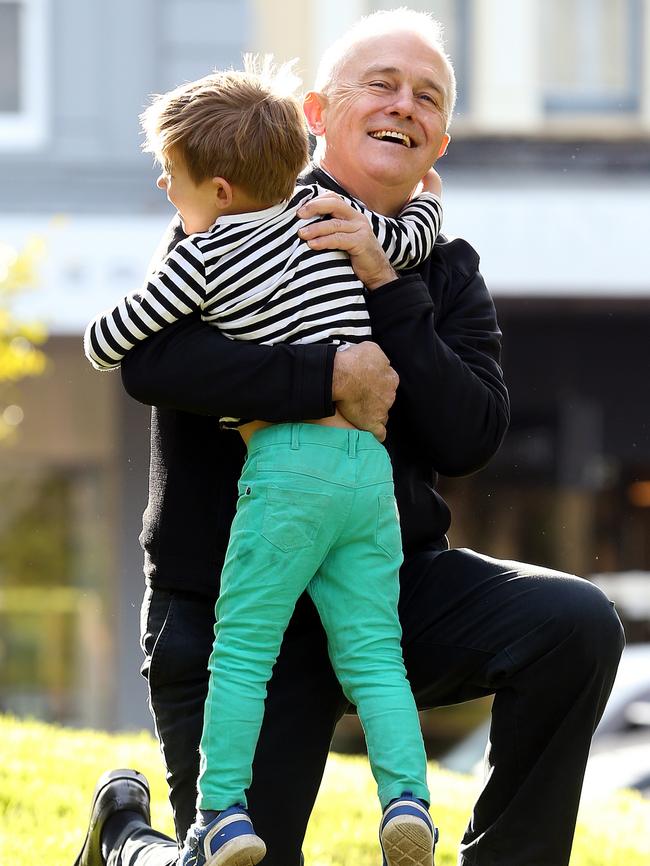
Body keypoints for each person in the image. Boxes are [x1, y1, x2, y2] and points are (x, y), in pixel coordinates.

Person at [74, 8, 625, 866]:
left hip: (387, 591)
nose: (404, 104)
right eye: (381, 84)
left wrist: (387, 284)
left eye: (427, 97)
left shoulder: (445, 267)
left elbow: (470, 432)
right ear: (318, 114)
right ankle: (126, 843)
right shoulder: (238, 208)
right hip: (235, 602)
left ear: (441, 141)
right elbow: (153, 362)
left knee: (575, 623)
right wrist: (327, 379)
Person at [83, 60, 445, 866]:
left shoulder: (202, 254)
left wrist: (175, 276)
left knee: (244, 646)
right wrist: (426, 206)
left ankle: (221, 817)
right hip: (366, 473)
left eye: (167, 179)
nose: (163, 193)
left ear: (214, 189)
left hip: (287, 468)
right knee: (374, 650)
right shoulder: (330, 215)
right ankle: (407, 800)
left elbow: (110, 344)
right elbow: (416, 236)